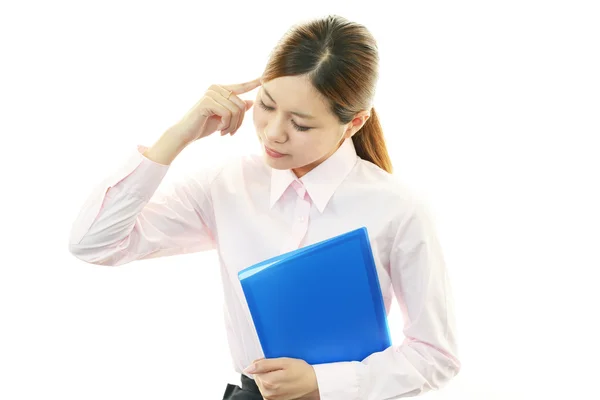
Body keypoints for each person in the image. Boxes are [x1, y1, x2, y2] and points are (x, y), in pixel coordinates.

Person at [68, 14, 460, 400]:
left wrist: (323, 384)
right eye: (267, 105)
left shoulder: (398, 208)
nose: (273, 133)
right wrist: (178, 136)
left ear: (354, 123)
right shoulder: (226, 185)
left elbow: (436, 356)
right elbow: (95, 243)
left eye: (301, 124)